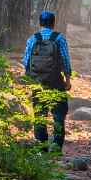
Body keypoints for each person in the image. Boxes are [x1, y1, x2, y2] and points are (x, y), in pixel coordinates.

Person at [22, 10, 72, 150]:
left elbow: (26, 62)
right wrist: (67, 80)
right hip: (56, 80)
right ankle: (56, 147)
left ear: (40, 23)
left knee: (39, 113)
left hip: (38, 82)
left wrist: (29, 81)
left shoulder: (33, 39)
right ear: (53, 23)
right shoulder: (59, 38)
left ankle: (41, 147)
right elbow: (65, 61)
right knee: (59, 113)